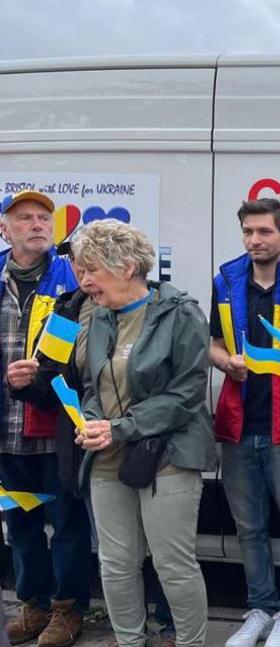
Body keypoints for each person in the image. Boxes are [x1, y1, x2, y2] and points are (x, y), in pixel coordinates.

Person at [71, 220, 215, 647]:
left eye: (92, 269)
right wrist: (92, 423)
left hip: (167, 453)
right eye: (81, 271)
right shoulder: (97, 318)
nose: (85, 281)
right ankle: (130, 641)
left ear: (128, 265)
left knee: (173, 564)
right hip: (109, 455)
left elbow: (187, 392)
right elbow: (90, 386)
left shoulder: (180, 312)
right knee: (116, 563)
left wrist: (120, 427)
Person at [210, 199, 280, 647]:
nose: (255, 240)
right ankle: (259, 609)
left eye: (265, 232)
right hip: (238, 422)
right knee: (247, 526)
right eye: (249, 232)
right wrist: (225, 362)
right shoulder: (226, 280)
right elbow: (211, 343)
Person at [0, 190, 91, 647]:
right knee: (20, 523)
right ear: (4, 229)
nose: (37, 224)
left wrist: (47, 373)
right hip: (5, 430)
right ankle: (33, 604)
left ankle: (68, 610)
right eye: (24, 218)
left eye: (43, 218)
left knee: (68, 522)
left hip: (54, 425)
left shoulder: (72, 278)